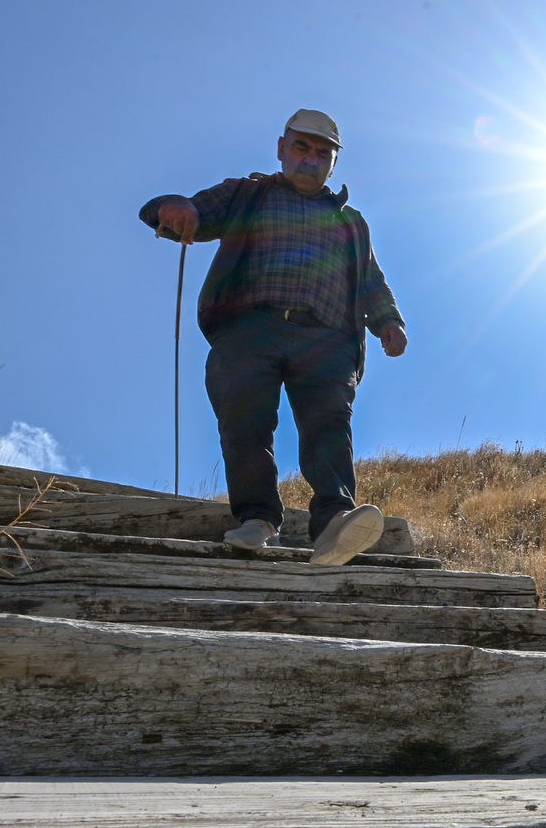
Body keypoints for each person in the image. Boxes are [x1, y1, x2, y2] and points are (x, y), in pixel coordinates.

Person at [139, 109, 408, 565]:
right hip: (250, 328)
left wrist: (388, 321)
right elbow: (194, 212)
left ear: (333, 163)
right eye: (302, 148)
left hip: (327, 339)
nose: (311, 159)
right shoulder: (247, 194)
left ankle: (334, 525)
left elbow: (370, 281)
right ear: (282, 148)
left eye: (323, 153)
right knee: (245, 419)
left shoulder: (351, 222)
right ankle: (258, 519)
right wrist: (173, 205)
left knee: (329, 427)